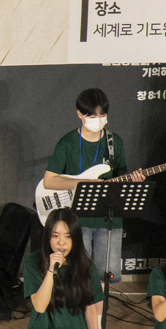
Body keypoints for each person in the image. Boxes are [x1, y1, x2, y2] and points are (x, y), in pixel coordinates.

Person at [41, 88, 145, 285]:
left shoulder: (114, 142)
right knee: (78, 274)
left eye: (102, 115)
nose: (98, 119)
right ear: (79, 114)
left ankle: (99, 306)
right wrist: (83, 184)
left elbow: (121, 179)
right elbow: (49, 181)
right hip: (77, 218)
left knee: (107, 276)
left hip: (108, 218)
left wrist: (134, 182)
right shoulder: (67, 143)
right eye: (92, 115)